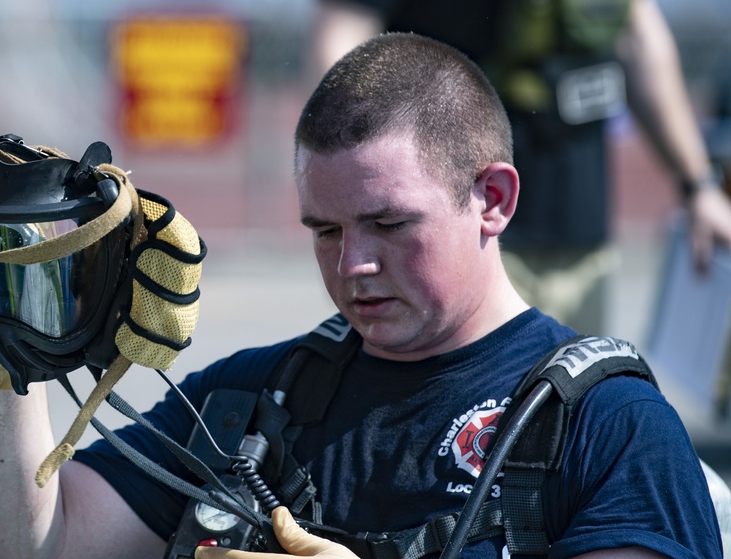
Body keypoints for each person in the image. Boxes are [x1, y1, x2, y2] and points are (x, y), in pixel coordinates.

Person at [0, 33, 728, 559]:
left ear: (492, 200)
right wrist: (14, 346)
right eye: (324, 229)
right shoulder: (260, 395)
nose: (352, 263)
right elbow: (17, 555)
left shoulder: (602, 418)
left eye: (389, 224)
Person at [313, 0, 731, 335]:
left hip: (581, 234)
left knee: (574, 418)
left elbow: (638, 37)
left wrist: (699, 186)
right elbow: (342, 35)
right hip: (457, 236)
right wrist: (366, 185)